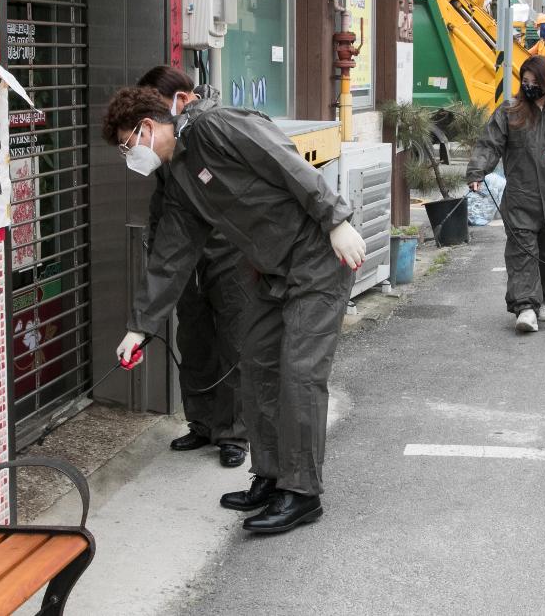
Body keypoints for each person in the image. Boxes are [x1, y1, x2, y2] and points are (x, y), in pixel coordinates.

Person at [103, 86, 366, 534]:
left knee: (299, 373)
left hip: (319, 256)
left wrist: (335, 220)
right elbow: (171, 254)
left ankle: (302, 493)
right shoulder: (180, 173)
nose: (131, 156)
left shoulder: (218, 125)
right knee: (257, 365)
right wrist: (140, 327)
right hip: (269, 269)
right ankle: (270, 475)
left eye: (128, 144)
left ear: (147, 128)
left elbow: (286, 161)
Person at [137, 66, 248, 468]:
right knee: (194, 340)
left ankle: (235, 432)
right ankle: (201, 423)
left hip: (230, 252)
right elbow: (162, 204)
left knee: (234, 342)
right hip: (187, 256)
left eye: (155, 103)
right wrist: (157, 257)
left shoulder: (215, 131)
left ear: (181, 98)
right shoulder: (167, 141)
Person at [466, 56, 545, 332]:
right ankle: (525, 307)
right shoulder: (510, 111)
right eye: (525, 82)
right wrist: (477, 172)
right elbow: (490, 144)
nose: (530, 86)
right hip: (521, 197)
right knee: (522, 252)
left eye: (535, 82)